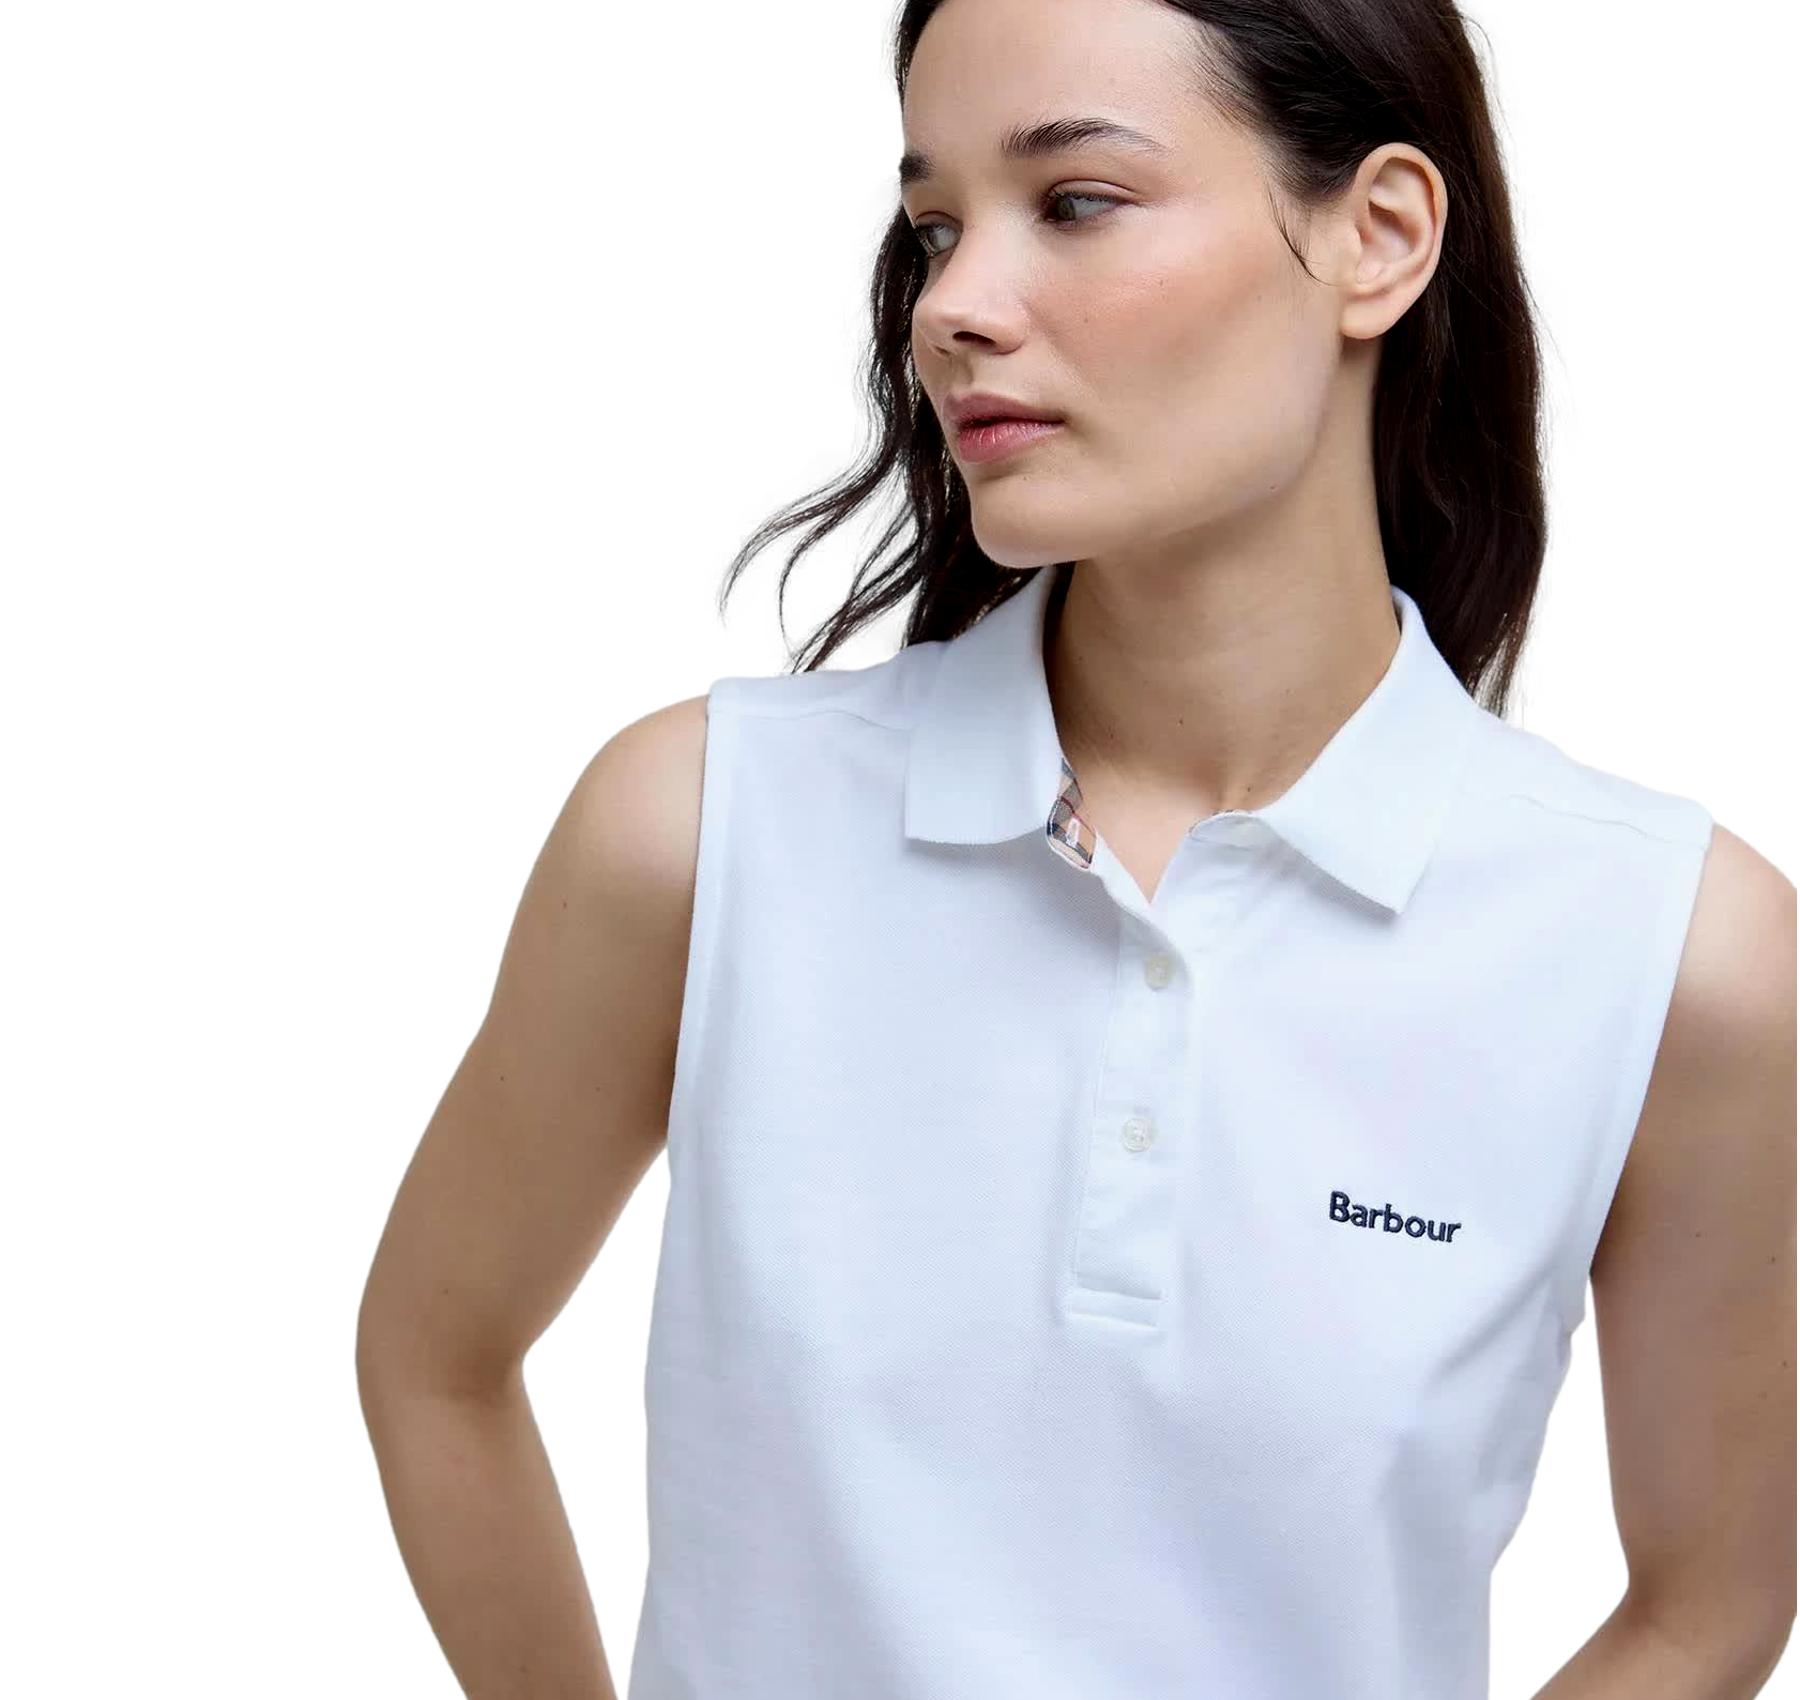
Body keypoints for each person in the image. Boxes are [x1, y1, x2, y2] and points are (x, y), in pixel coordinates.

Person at [355, 1, 1796, 1696]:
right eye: (935, 225)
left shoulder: (1673, 954)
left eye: (1077, 201)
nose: (952, 306)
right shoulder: (698, 832)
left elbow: (1710, 1601)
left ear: (1380, 237)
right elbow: (434, 1359)